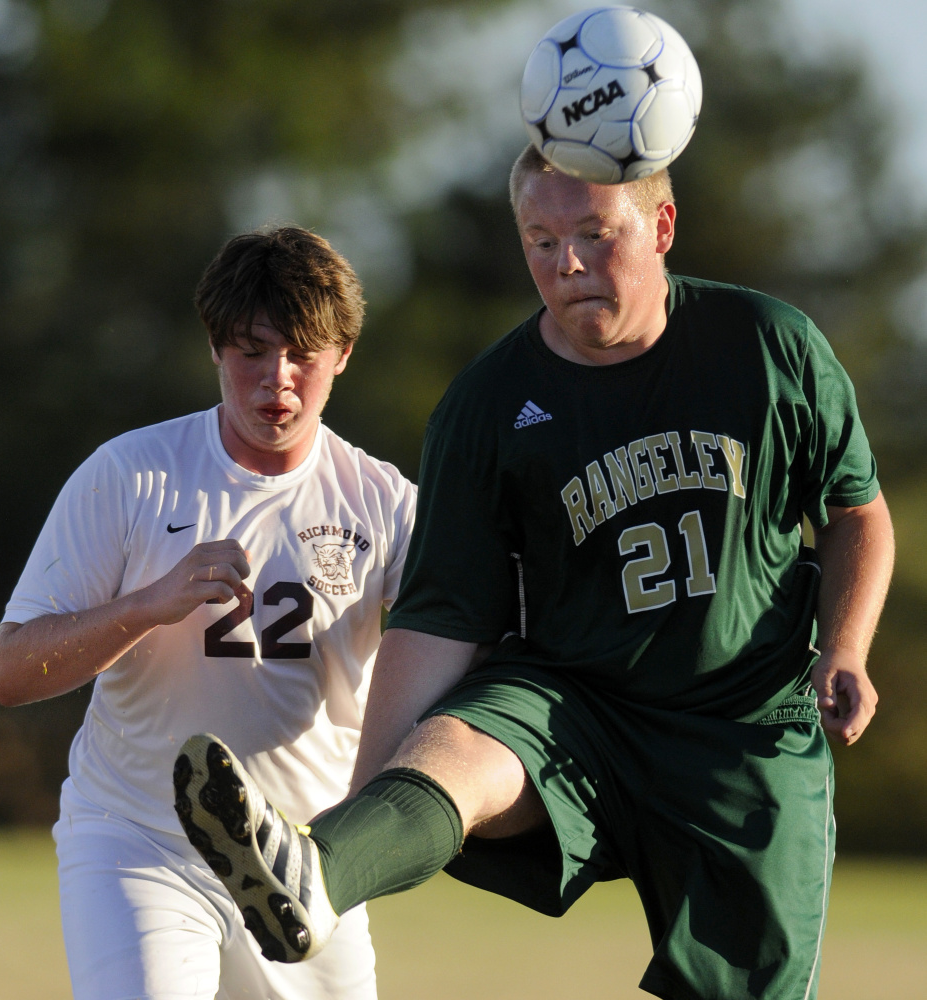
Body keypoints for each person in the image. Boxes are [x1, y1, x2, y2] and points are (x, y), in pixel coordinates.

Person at [174, 146, 895, 1000]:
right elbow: (442, 617)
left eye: (594, 233)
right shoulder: (488, 402)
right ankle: (315, 875)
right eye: (541, 240)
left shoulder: (769, 345)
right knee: (470, 737)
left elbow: (856, 511)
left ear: (662, 226)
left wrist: (845, 648)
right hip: (575, 703)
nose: (569, 263)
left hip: (744, 725)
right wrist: (355, 829)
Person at [0, 225, 417, 1000]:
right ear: (216, 349)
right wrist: (152, 604)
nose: (276, 380)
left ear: (345, 353)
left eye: (302, 352)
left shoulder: (386, 505)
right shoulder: (128, 475)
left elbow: (461, 659)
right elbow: (12, 671)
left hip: (306, 865)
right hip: (139, 841)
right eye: (252, 350)